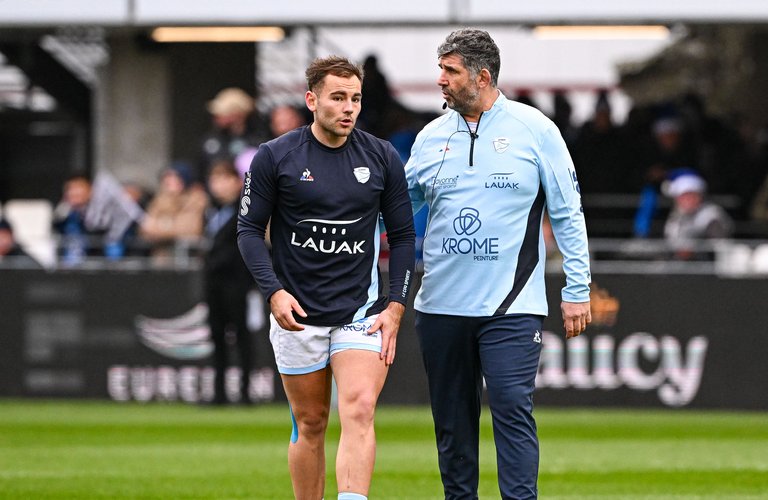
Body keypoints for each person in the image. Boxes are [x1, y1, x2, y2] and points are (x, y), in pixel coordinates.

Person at [405, 29, 592, 500]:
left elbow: (568, 212)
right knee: (452, 425)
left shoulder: (536, 129)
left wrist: (577, 288)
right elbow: (397, 213)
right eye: (441, 69)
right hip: (440, 307)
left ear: (482, 76)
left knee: (512, 408)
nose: (440, 80)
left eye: (450, 71)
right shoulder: (430, 138)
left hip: (511, 307)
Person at [237, 56, 415, 500]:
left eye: (355, 98)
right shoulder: (275, 156)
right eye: (338, 97)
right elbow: (248, 230)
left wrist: (396, 305)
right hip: (298, 313)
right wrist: (273, 292)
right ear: (311, 100)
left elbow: (405, 235)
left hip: (363, 309)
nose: (348, 107)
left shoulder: (381, 155)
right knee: (311, 422)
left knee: (358, 408)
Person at [204, 160, 255, 405]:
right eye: (214, 180)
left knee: (241, 336)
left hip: (236, 281)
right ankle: (219, 393)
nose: (218, 185)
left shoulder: (243, 209)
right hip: (213, 282)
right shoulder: (211, 210)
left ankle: (245, 392)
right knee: (216, 336)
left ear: (236, 182)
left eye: (223, 179)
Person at [139, 163, 209, 264]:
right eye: (167, 178)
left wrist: (162, 226)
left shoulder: (197, 199)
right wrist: (172, 226)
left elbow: (190, 229)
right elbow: (146, 227)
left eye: (175, 178)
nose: (169, 182)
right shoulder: (159, 201)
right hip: (162, 258)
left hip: (188, 259)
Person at [662, 169, 734, 260]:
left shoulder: (711, 215)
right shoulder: (675, 217)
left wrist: (694, 250)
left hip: (707, 266)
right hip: (680, 266)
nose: (688, 200)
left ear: (700, 196)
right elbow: (670, 243)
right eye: (683, 196)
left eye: (691, 195)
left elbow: (719, 245)